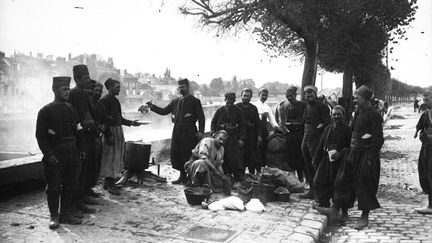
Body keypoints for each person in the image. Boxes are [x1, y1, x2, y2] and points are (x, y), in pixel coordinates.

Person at [317, 85, 384, 230]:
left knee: (364, 185)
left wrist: (371, 158)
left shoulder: (374, 114)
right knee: (342, 180)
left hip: (365, 154)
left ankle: (364, 217)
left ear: (365, 98)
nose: (354, 99)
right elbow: (353, 133)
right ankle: (334, 210)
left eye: (357, 97)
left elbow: (378, 139)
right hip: (352, 153)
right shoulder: (357, 113)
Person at [36, 76, 85, 228]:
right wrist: (49, 155)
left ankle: (65, 214)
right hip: (56, 153)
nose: (67, 92)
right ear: (54, 90)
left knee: (71, 183)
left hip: (72, 152)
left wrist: (81, 149)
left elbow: (79, 130)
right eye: (64, 89)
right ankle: (54, 216)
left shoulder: (72, 109)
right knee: (54, 186)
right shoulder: (46, 110)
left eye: (68, 88)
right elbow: (41, 136)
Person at [145, 78, 205, 184]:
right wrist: (152, 107)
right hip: (177, 129)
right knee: (177, 153)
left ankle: (190, 178)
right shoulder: (175, 101)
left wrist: (201, 131)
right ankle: (182, 176)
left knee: (188, 152)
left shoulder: (195, 101)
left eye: (183, 86)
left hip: (189, 130)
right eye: (179, 87)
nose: (181, 88)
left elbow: (201, 117)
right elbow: (164, 111)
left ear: (188, 87)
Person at [99, 78, 142, 194]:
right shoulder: (104, 100)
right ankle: (110, 184)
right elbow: (103, 120)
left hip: (118, 131)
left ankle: (108, 183)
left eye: (119, 87)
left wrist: (132, 123)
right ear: (109, 88)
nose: (119, 89)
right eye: (116, 87)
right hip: (111, 132)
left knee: (116, 157)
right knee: (110, 158)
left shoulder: (115, 101)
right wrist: (108, 135)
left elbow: (120, 119)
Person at [312, 105, 351, 221]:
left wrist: (341, 153)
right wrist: (316, 159)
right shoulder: (328, 129)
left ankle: (344, 212)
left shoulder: (347, 130)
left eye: (339, 114)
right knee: (318, 180)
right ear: (331, 116)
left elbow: (350, 147)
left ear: (343, 116)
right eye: (334, 114)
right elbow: (320, 145)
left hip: (341, 163)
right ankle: (324, 205)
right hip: (327, 160)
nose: (336, 117)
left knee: (340, 186)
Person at [69, 65, 98, 213]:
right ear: (77, 79)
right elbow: (76, 118)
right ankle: (77, 201)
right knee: (79, 171)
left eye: (88, 77)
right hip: (81, 137)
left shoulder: (83, 94)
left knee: (86, 169)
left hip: (88, 135)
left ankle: (83, 195)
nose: (88, 80)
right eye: (85, 78)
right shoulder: (74, 94)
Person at [300, 85, 332, 199]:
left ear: (315, 95)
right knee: (307, 164)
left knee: (316, 164)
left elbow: (328, 122)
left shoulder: (322, 107)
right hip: (306, 137)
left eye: (311, 96)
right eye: (307, 96)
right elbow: (305, 120)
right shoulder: (307, 106)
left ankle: (320, 191)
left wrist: (321, 125)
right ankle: (312, 190)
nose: (309, 98)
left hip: (316, 139)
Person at [211, 92, 246, 184]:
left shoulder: (238, 111)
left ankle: (237, 177)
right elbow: (213, 122)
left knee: (235, 157)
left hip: (233, 137)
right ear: (225, 100)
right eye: (227, 101)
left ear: (234, 100)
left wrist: (241, 139)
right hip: (221, 137)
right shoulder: (220, 110)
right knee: (222, 157)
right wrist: (214, 133)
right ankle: (224, 176)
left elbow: (243, 125)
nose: (229, 103)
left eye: (231, 101)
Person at [275, 86, 307, 179]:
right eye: (287, 96)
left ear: (295, 95)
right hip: (291, 135)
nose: (289, 98)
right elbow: (285, 121)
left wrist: (294, 123)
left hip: (301, 135)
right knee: (292, 157)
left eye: (291, 96)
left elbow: (305, 120)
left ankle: (305, 178)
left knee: (301, 157)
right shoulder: (288, 107)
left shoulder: (303, 105)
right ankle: (296, 178)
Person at [235, 88, 262, 175]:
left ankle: (251, 174)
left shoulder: (253, 108)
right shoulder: (236, 107)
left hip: (251, 135)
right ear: (241, 96)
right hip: (239, 135)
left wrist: (259, 135)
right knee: (240, 156)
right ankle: (241, 174)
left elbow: (258, 123)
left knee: (252, 155)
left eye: (248, 96)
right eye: (244, 96)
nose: (246, 98)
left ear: (251, 97)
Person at [252, 88, 280, 168]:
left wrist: (277, 128)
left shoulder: (267, 107)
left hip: (264, 129)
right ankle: (255, 168)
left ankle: (263, 167)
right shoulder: (254, 105)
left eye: (266, 95)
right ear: (259, 95)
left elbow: (272, 120)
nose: (264, 97)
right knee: (257, 149)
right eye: (263, 95)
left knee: (264, 148)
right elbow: (253, 118)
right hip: (256, 129)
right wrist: (261, 115)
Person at [414, 91, 432, 215]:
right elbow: (419, 128)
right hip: (426, 148)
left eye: (427, 100)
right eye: (424, 100)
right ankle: (430, 204)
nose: (425, 102)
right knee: (425, 173)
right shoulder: (426, 114)